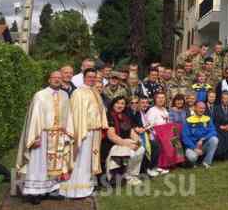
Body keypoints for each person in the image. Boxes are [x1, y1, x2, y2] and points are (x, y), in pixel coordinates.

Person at [15, 71, 73, 204]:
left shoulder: (65, 95)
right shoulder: (40, 95)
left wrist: (67, 131)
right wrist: (35, 137)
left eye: (59, 78)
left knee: (56, 165)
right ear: (49, 80)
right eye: (54, 78)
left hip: (59, 135)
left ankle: (51, 189)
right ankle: (34, 192)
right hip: (43, 135)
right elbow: (34, 118)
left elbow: (68, 115)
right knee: (38, 164)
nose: (57, 80)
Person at [60, 68, 108, 199]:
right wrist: (79, 132)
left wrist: (102, 125)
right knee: (81, 160)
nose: (92, 79)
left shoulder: (95, 92)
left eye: (94, 77)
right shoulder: (78, 93)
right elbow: (75, 115)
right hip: (84, 132)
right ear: (84, 78)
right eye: (90, 77)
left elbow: (100, 111)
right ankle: (75, 190)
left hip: (95, 132)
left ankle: (87, 187)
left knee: (90, 161)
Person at [104, 97, 145, 186]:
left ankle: (131, 175)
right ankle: (119, 177)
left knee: (140, 149)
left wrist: (137, 141)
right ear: (113, 104)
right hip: (112, 145)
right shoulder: (109, 116)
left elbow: (131, 131)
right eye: (118, 103)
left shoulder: (124, 116)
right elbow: (111, 136)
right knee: (131, 151)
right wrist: (127, 143)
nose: (120, 105)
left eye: (122, 103)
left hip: (125, 143)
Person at [181, 101, 219, 169]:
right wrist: (194, 148)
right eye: (200, 108)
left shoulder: (207, 119)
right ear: (195, 108)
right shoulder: (188, 120)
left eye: (204, 108)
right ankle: (193, 162)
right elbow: (185, 137)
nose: (202, 110)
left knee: (214, 139)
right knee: (192, 158)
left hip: (203, 145)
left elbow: (213, 131)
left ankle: (206, 162)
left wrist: (203, 139)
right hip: (192, 146)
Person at [212, 91, 228, 160]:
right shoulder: (216, 108)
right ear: (221, 99)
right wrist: (220, 126)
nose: (226, 100)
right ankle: (222, 154)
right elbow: (213, 121)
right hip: (219, 127)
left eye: (227, 99)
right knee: (221, 135)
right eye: (224, 98)